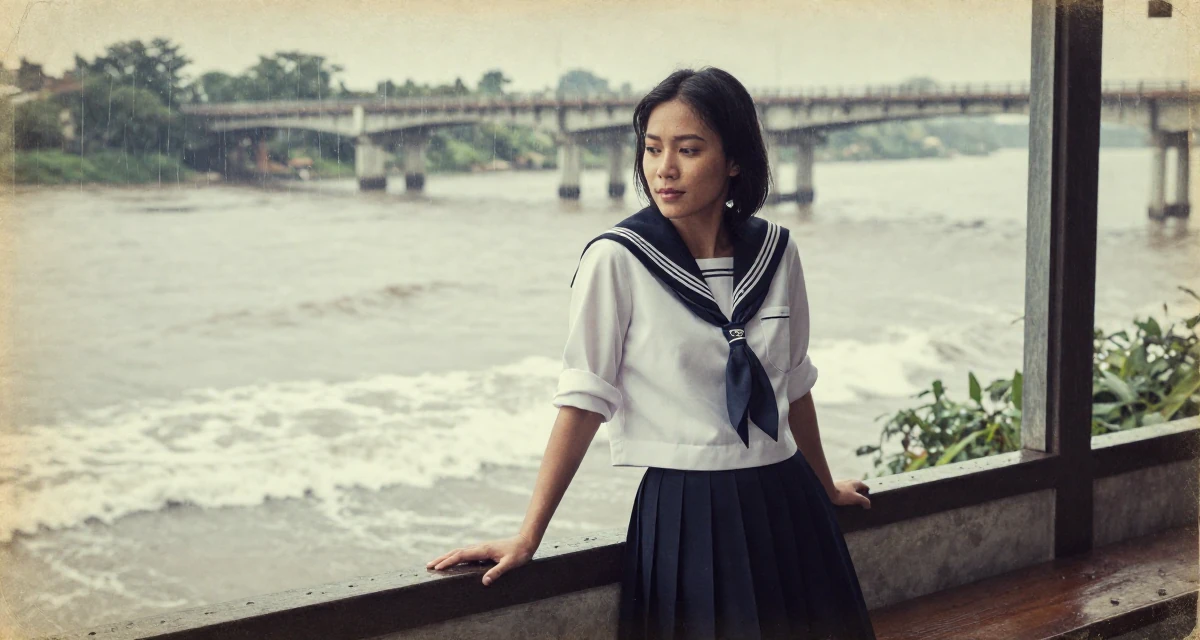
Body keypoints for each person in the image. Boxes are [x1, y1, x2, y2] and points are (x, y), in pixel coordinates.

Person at [427, 66, 877, 640]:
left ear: (734, 160)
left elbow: (793, 382)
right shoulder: (617, 260)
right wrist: (529, 533)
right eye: (652, 149)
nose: (664, 169)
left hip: (788, 501)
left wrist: (825, 483)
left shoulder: (777, 253)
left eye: (688, 150)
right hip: (689, 512)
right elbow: (584, 398)